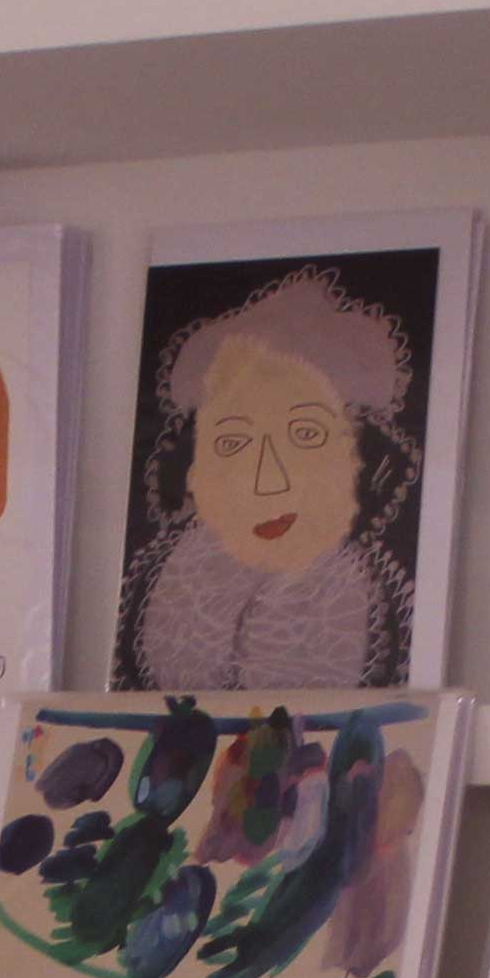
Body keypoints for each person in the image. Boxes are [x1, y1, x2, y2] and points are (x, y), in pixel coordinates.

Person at [122, 267, 419, 689]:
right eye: (232, 443)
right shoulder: (155, 583)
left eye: (306, 435)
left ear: (365, 461)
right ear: (190, 469)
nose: (267, 481)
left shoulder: (370, 599)